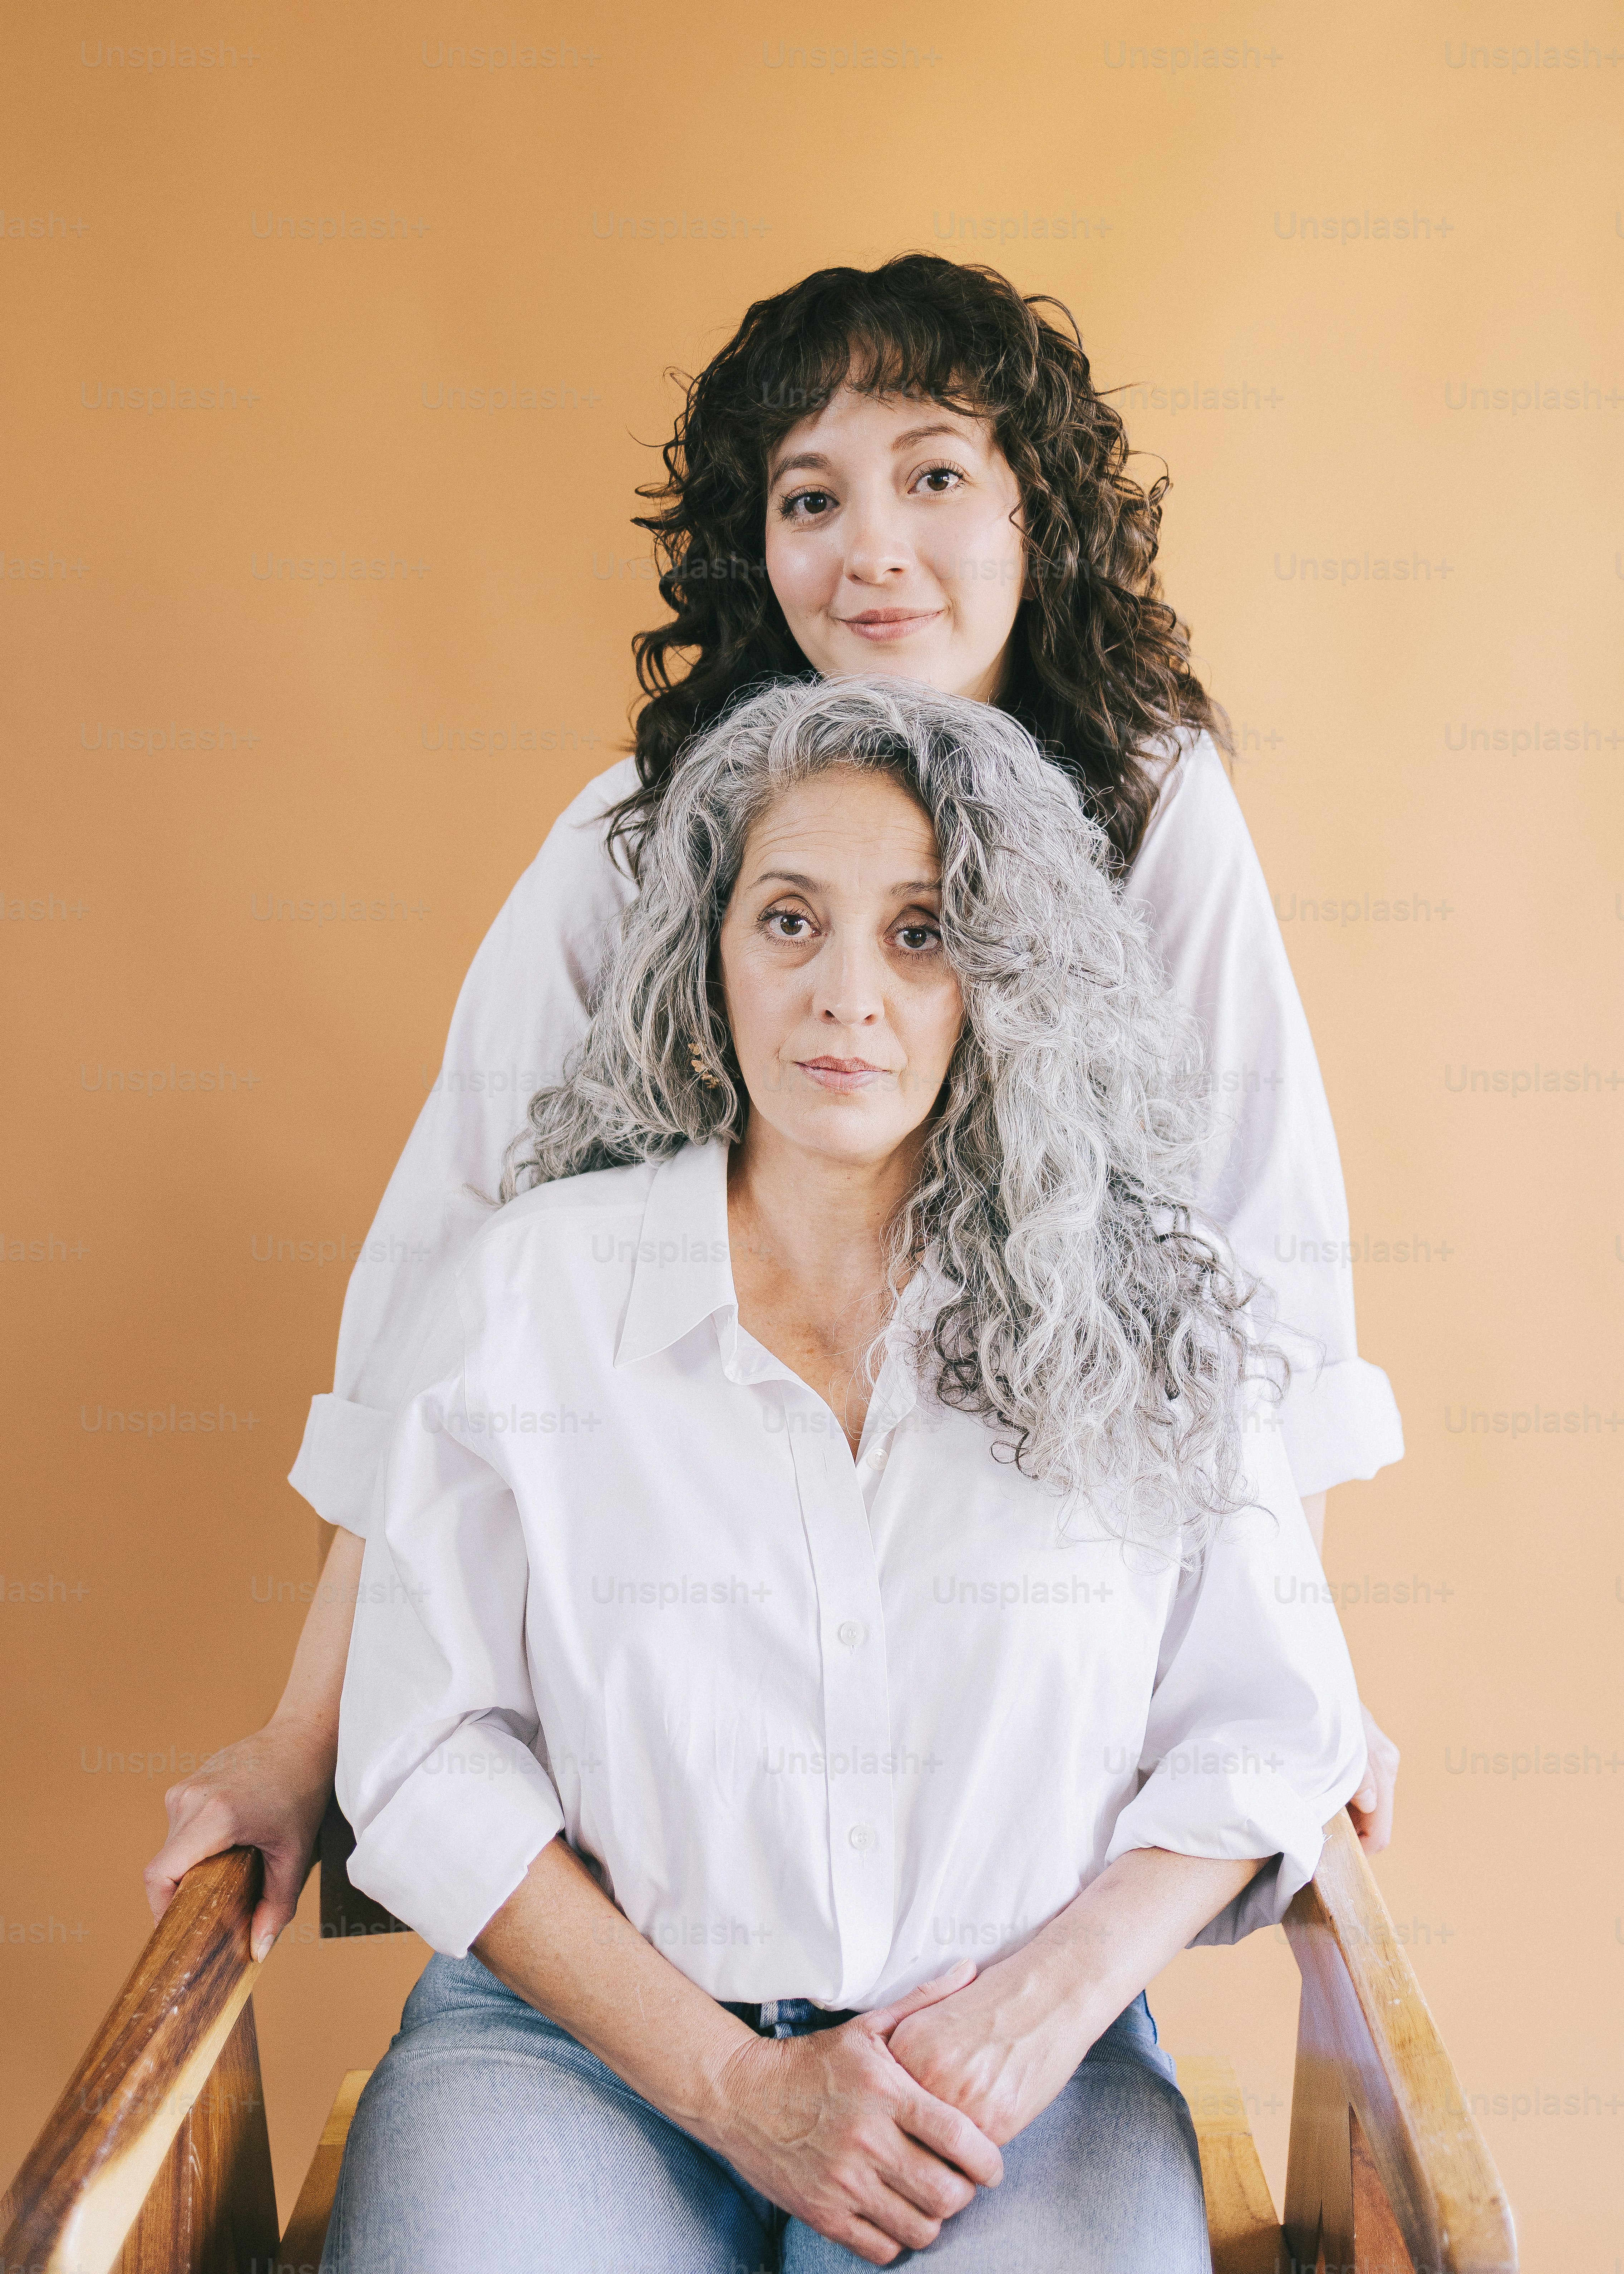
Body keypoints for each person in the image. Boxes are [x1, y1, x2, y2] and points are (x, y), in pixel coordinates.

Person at [144, 254, 1402, 1968]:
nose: (871, 547)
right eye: (810, 498)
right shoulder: (648, 824)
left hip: (1002, 1551)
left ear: (1041, 516)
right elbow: (441, 1278)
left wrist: (1294, 1673)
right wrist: (306, 1735)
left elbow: (1254, 1253)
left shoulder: (1151, 801)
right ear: (759, 549)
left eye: (934, 476)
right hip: (680, 1555)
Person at [319, 676, 1365, 2270]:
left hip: (1014, 2071)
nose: (845, 996)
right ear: (705, 952)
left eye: (922, 932)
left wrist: (1039, 2013)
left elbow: (1273, 1728)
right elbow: (418, 1757)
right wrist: (733, 2084)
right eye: (788, 920)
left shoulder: (1150, 1304)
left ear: (1003, 978)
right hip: (572, 2053)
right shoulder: (529, 1299)